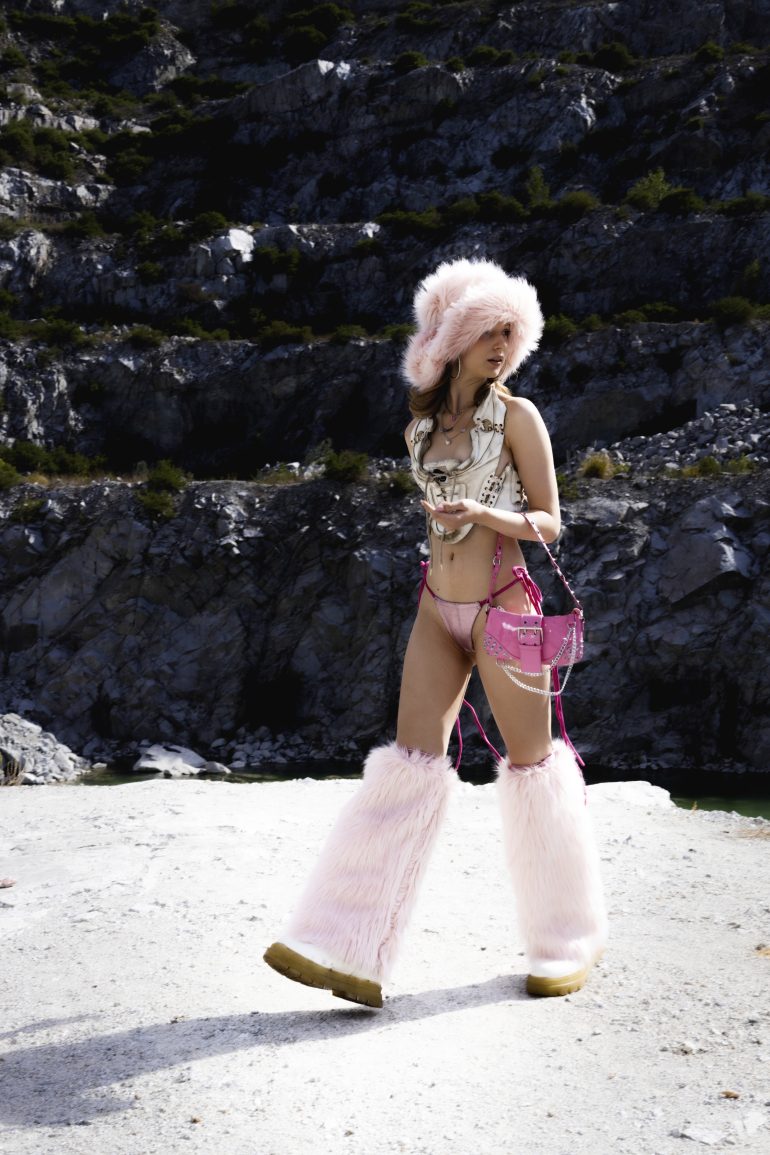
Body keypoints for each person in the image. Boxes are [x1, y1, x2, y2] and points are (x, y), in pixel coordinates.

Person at [264, 257, 607, 1008]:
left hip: (504, 605)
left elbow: (550, 522)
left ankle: (566, 940)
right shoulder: (420, 427)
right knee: (410, 764)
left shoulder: (519, 418)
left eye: (511, 333)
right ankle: (348, 943)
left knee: (532, 764)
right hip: (436, 607)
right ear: (450, 339)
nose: (502, 346)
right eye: (489, 331)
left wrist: (483, 513)